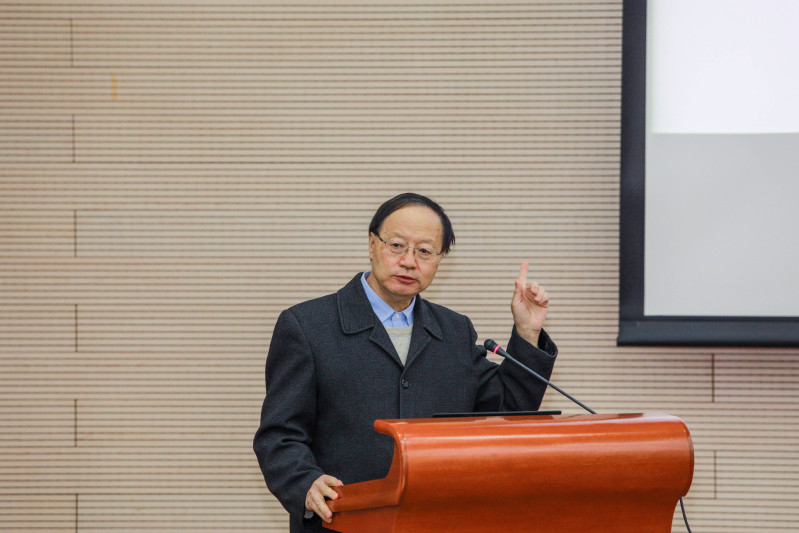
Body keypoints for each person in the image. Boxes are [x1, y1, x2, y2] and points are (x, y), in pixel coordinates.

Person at [254, 193, 558, 533]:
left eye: (425, 251)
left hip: (436, 522)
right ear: (372, 244)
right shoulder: (307, 326)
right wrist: (305, 482)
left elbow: (509, 412)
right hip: (341, 521)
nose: (409, 261)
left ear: (440, 260)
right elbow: (279, 436)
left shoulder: (454, 331)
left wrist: (527, 332)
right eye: (397, 245)